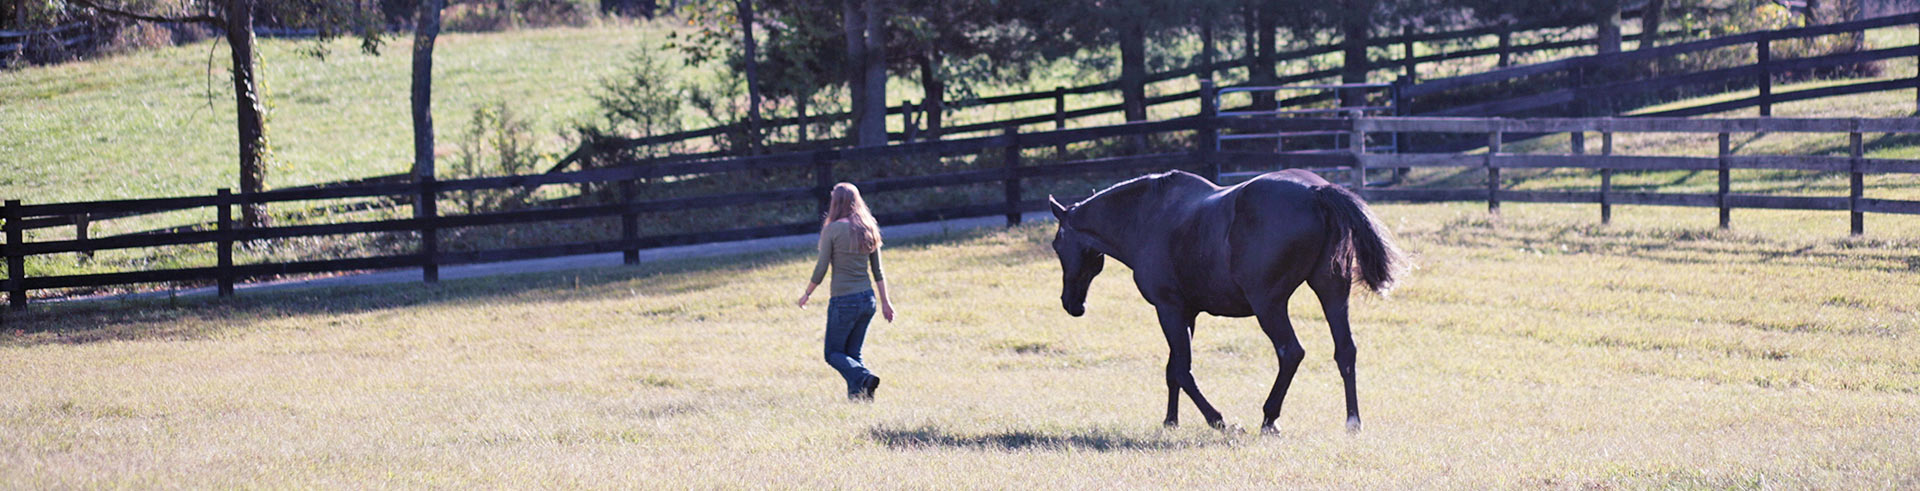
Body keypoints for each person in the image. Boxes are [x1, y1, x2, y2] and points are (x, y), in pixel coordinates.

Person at [796, 182, 896, 401]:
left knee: (832, 354)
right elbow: (878, 271)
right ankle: (860, 400)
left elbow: (821, 267)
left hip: (844, 301)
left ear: (835, 202)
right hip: (867, 300)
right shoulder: (868, 226)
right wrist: (886, 303)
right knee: (852, 354)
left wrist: (807, 293)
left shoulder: (832, 230)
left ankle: (864, 376)